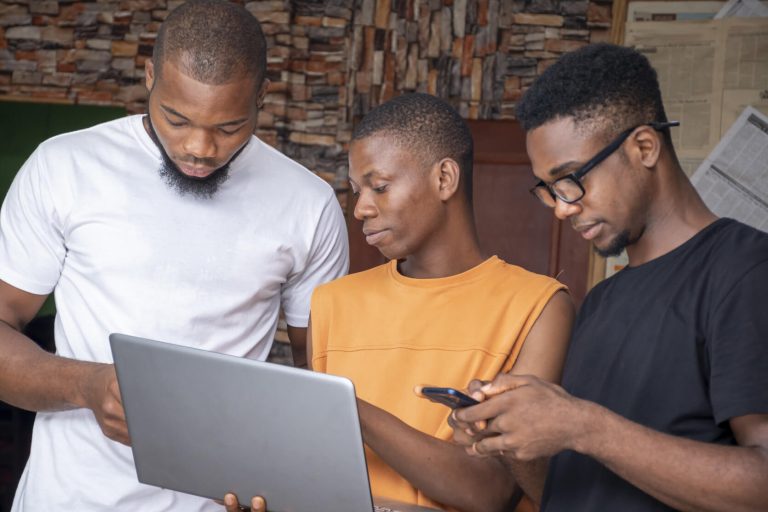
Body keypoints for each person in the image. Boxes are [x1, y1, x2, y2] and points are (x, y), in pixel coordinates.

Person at [0, 1, 348, 510]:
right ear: (148, 76)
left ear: (261, 97)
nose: (200, 147)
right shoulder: (64, 167)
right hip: (69, 498)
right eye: (176, 118)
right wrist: (89, 387)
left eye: (230, 126)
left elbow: (323, 383)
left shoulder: (309, 205)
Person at [452, 43, 768, 511]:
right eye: (549, 189)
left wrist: (582, 424)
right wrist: (512, 435)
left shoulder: (746, 272)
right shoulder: (601, 301)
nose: (562, 207)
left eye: (572, 179)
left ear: (643, 147)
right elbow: (573, 492)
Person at [224, 93, 574, 512]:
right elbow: (319, 468)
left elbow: (491, 491)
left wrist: (346, 407)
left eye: (380, 187)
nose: (361, 209)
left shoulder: (539, 306)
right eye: (356, 190)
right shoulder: (333, 303)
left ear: (444, 178)